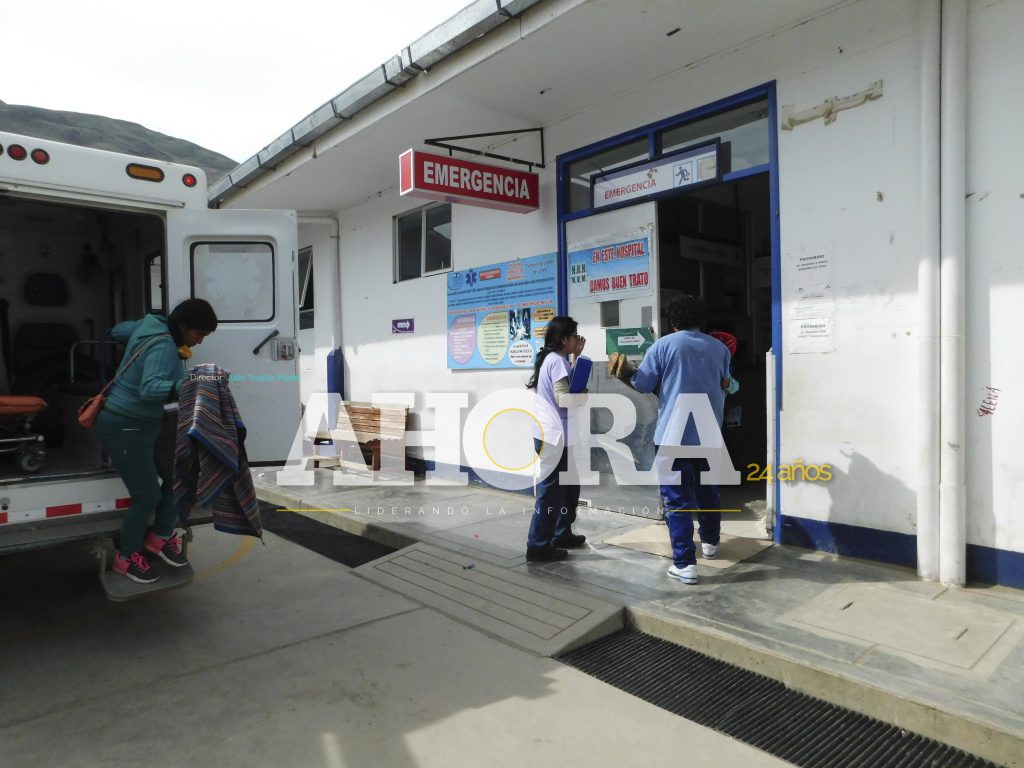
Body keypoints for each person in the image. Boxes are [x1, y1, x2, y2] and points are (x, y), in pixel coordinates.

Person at [97, 299, 218, 584]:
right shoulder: (164, 345)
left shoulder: (150, 325)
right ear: (182, 326)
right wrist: (190, 384)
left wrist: (127, 333)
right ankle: (126, 558)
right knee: (147, 496)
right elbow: (149, 389)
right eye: (198, 334)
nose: (200, 341)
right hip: (126, 424)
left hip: (147, 422)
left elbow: (118, 331)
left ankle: (160, 538)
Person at [614, 296, 730, 585]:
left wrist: (625, 374)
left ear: (672, 321)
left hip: (673, 434)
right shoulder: (719, 348)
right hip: (708, 432)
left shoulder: (663, 345)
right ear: (700, 320)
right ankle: (711, 543)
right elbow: (726, 384)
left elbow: (643, 384)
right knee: (708, 491)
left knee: (676, 500)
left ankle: (685, 564)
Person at [524, 316, 587, 562]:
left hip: (554, 436)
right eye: (574, 337)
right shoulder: (557, 362)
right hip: (554, 438)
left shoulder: (554, 359)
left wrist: (577, 356)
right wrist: (583, 397)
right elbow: (564, 399)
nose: (577, 340)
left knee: (569, 488)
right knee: (551, 493)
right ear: (563, 339)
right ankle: (538, 545)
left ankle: (561, 533)